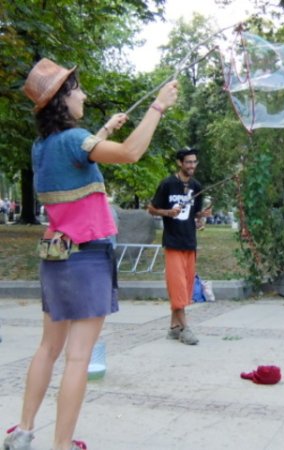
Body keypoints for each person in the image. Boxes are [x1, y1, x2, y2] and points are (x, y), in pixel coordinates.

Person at [3, 58, 177, 450]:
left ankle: (24, 432)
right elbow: (131, 152)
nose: (83, 94)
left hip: (56, 258)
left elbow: (75, 162)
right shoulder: (73, 139)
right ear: (63, 100)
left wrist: (102, 131)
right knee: (79, 357)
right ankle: (62, 445)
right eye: (77, 89)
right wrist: (158, 106)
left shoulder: (42, 146)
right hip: (87, 260)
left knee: (48, 348)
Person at [148, 148, 212, 345]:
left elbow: (194, 216)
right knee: (178, 288)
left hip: (190, 243)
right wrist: (168, 213)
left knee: (186, 287)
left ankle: (174, 328)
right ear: (179, 163)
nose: (192, 166)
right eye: (188, 162)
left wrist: (201, 219)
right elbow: (151, 209)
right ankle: (185, 329)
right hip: (173, 243)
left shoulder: (197, 186)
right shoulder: (167, 184)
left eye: (194, 162)